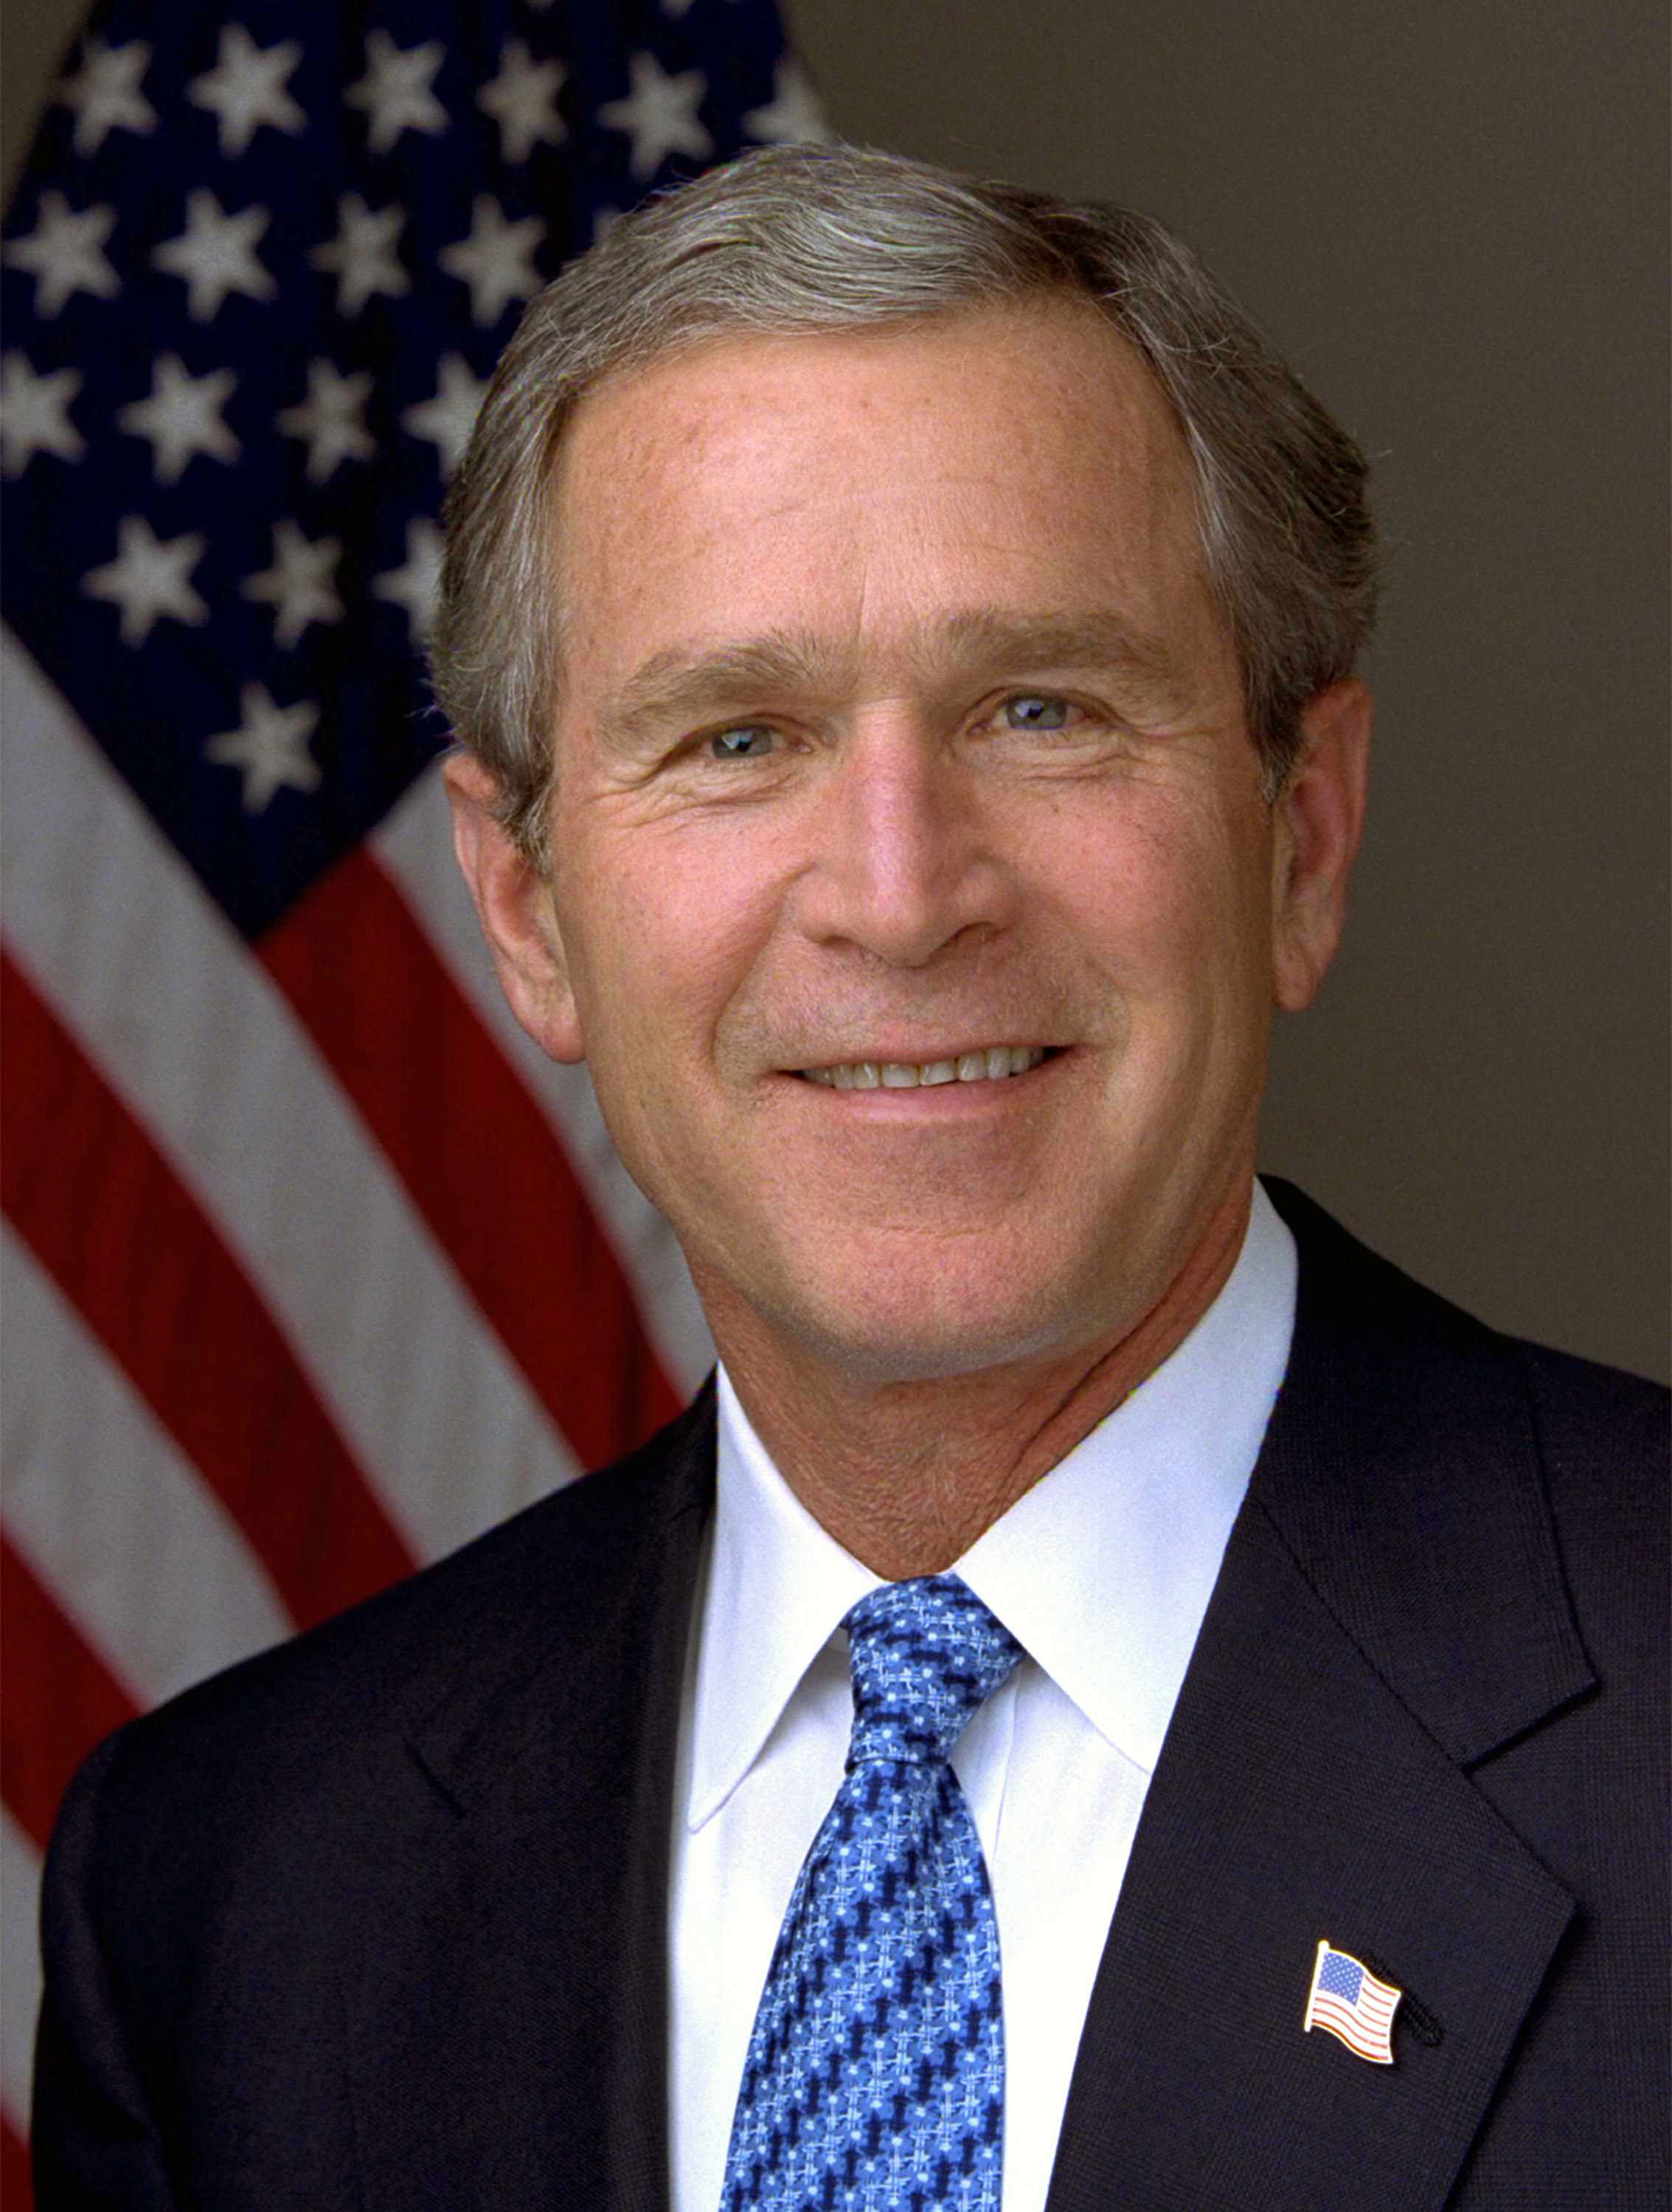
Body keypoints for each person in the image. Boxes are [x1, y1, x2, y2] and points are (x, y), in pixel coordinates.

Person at [34, 145, 1665, 2212]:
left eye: (1041, 708)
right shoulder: (228, 1895)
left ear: (1301, 838)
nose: (898, 901)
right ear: (528, 908)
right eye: (736, 737)